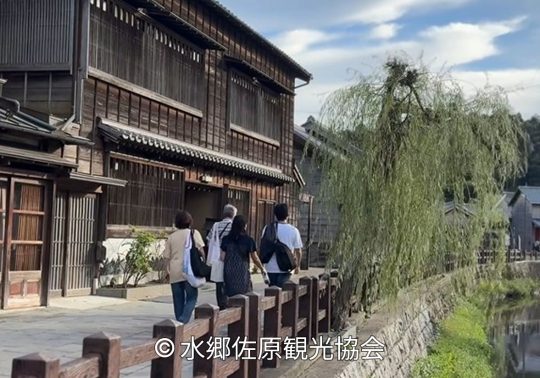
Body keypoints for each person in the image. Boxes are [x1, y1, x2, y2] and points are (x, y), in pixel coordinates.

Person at [163, 210, 205, 323]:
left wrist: (166, 271)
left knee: (178, 299)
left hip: (175, 270)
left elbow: (166, 257)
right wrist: (203, 264)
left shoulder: (171, 237)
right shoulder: (194, 233)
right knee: (192, 297)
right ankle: (183, 320)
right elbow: (201, 251)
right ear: (190, 221)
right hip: (190, 270)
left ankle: (178, 324)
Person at [221, 215, 267, 297]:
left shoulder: (226, 239)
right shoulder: (249, 240)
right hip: (243, 272)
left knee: (231, 297)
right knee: (245, 297)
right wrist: (262, 268)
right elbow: (255, 258)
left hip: (229, 272)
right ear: (244, 226)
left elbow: (222, 257)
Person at [262, 203, 303, 288]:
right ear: (287, 215)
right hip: (286, 267)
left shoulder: (268, 228)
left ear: (275, 215)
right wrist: (298, 266)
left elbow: (263, 246)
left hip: (270, 267)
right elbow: (298, 251)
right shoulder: (294, 230)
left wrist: (262, 266)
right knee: (283, 294)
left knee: (271, 293)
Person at [207, 204, 237, 309]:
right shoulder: (234, 226)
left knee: (219, 283)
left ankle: (221, 304)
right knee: (230, 281)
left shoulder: (216, 225)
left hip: (217, 258)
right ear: (233, 215)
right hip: (231, 258)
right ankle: (229, 303)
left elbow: (209, 239)